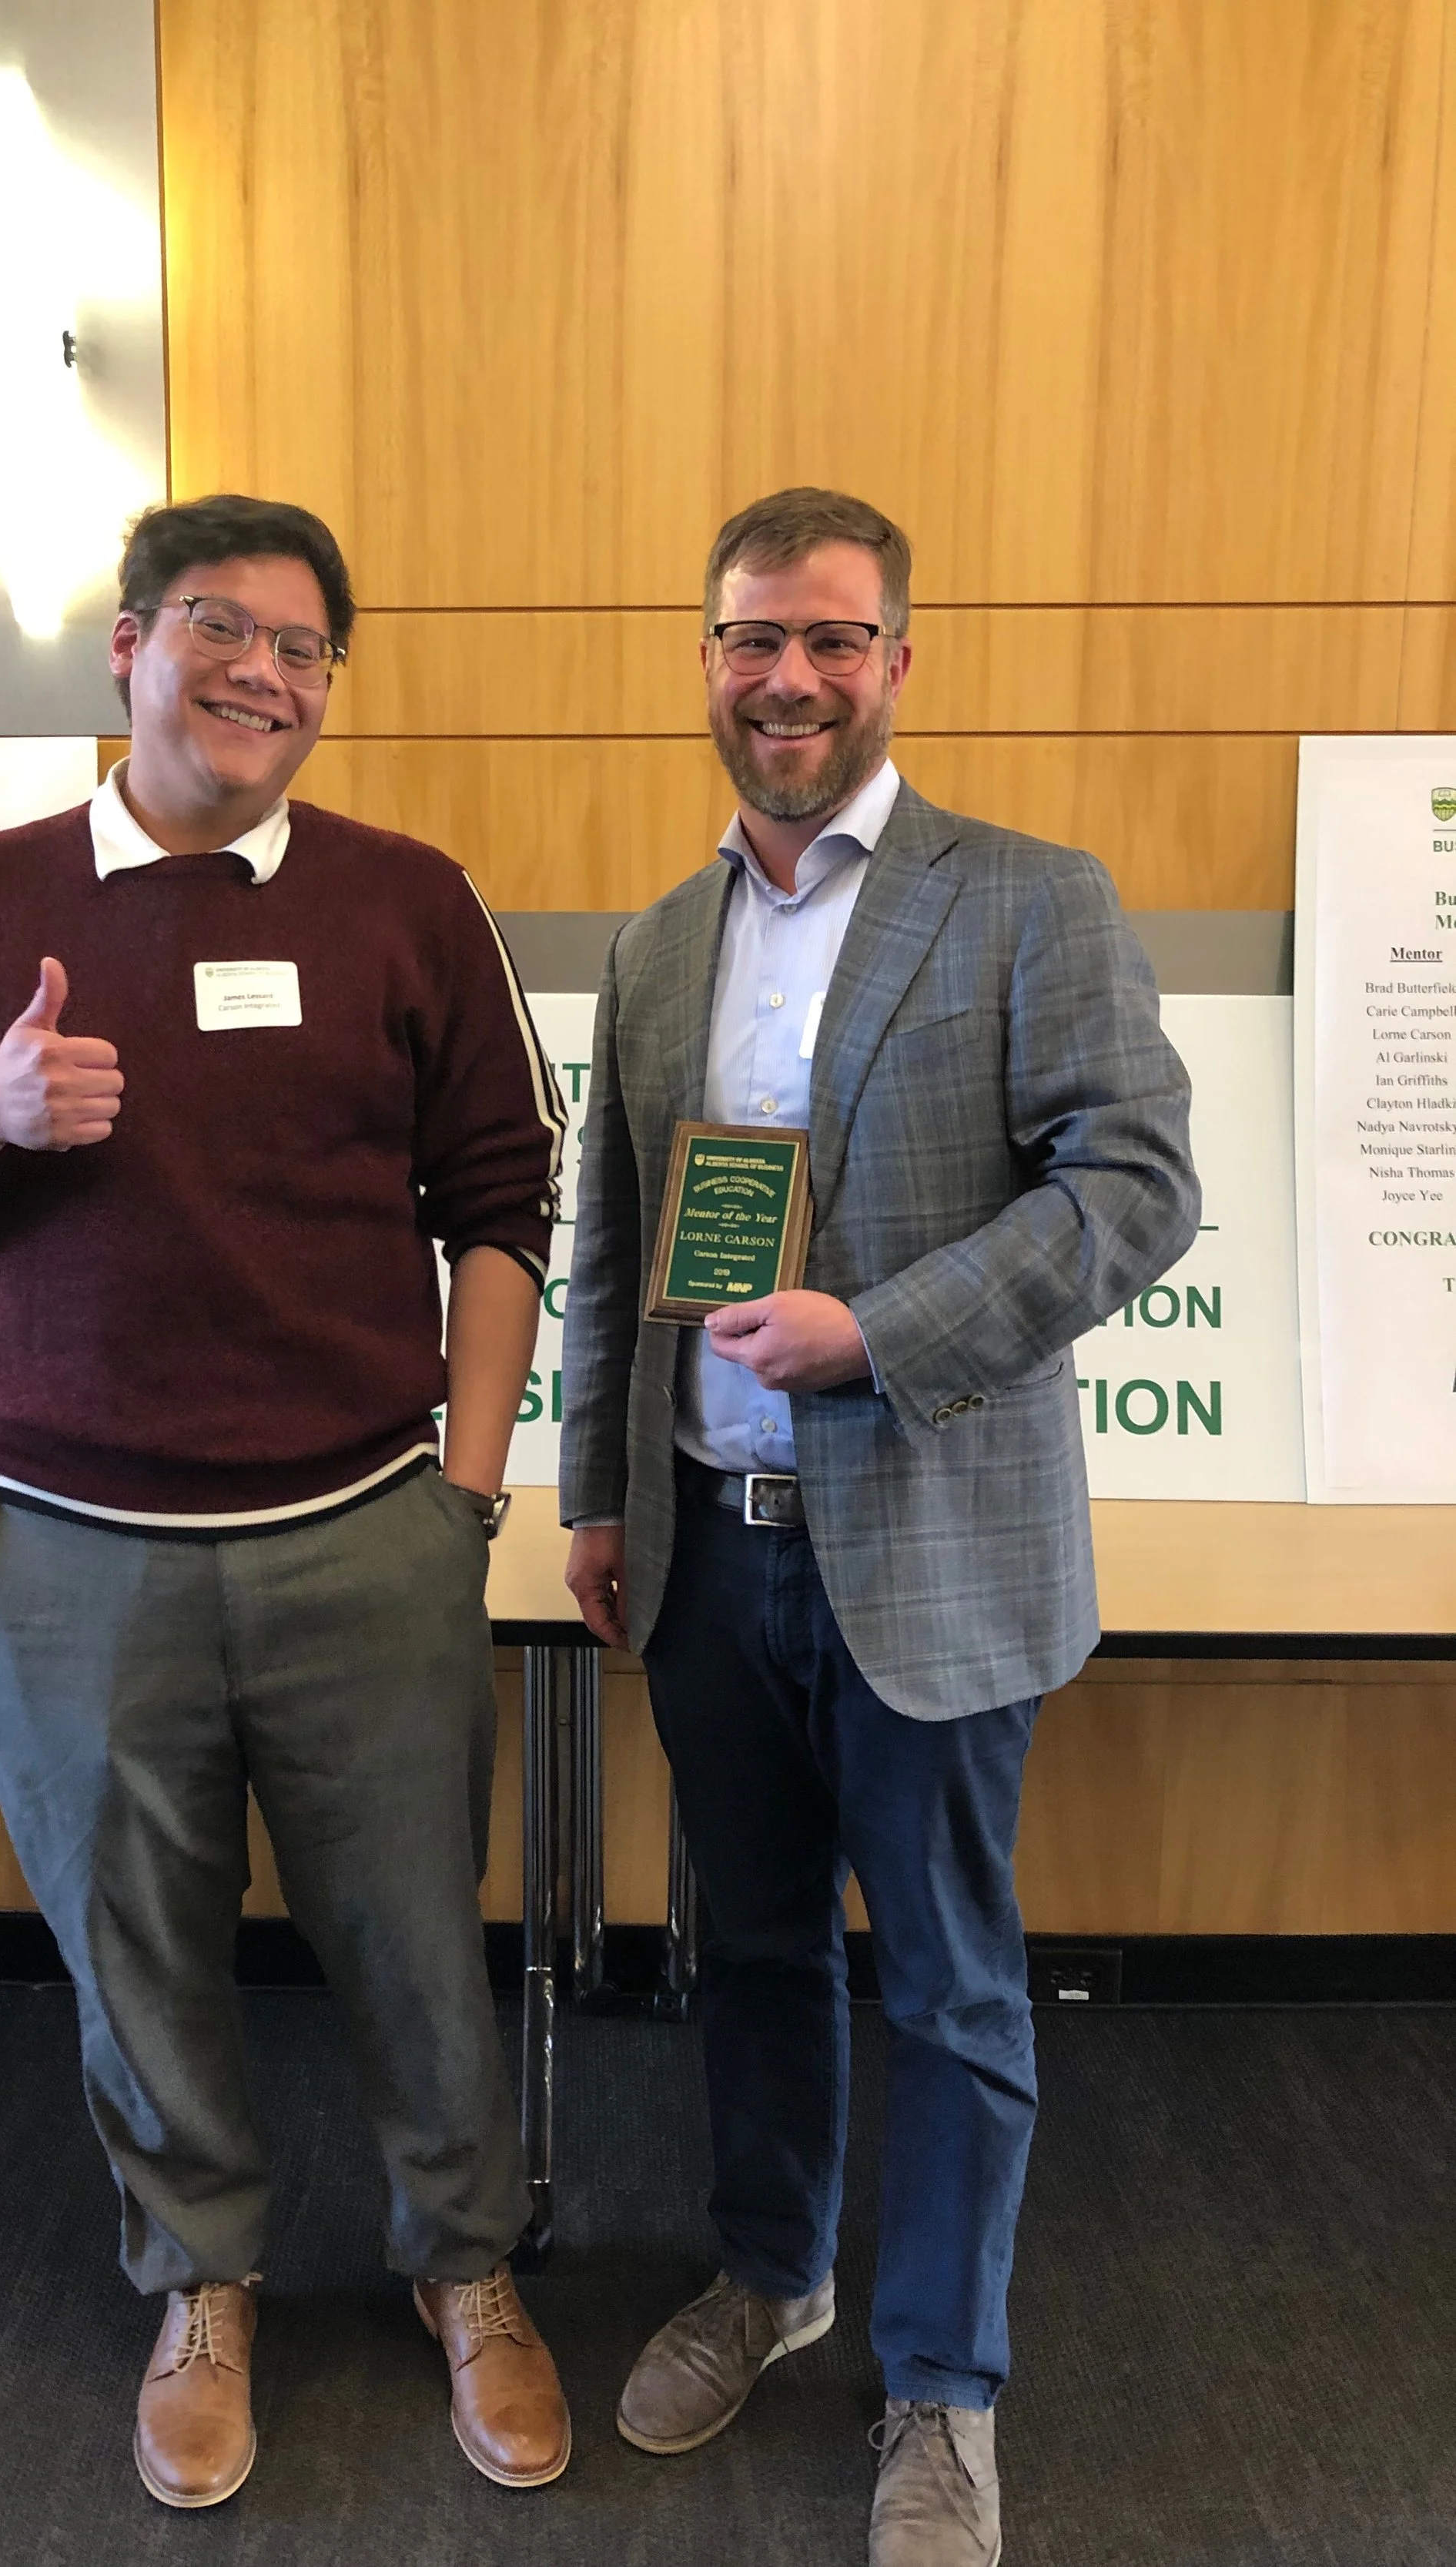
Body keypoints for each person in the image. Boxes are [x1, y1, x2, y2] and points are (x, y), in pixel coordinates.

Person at [0, 494, 572, 2508]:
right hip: (72, 1554)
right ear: (127, 642)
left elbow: (504, 1196)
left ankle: (465, 2268)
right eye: (222, 628)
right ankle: (200, 2275)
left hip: (363, 1537)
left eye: (306, 650)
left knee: (409, 1934)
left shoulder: (408, 902)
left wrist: (462, 1493)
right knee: (140, 1949)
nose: (263, 675)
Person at [558, 486, 1198, 2566]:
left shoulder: (1029, 901)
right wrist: (592, 1496)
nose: (788, 679)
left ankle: (940, 2382)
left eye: (831, 639)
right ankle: (773, 2268)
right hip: (705, 1548)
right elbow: (603, 1242)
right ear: (708, 659)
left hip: (924, 1536)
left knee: (944, 1984)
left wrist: (876, 1328)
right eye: (753, 638)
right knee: (743, 1948)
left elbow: (1130, 1191)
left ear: (897, 659)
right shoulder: (656, 943)